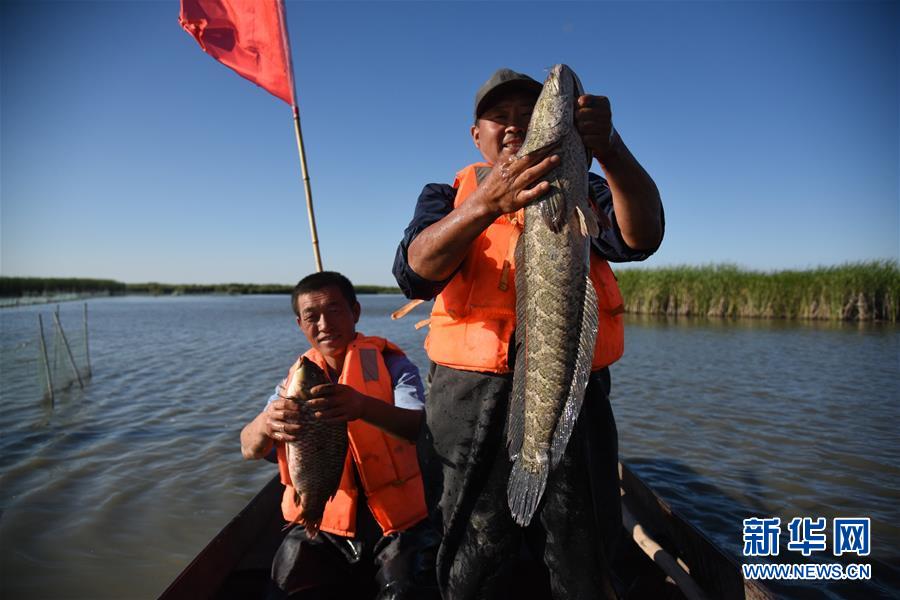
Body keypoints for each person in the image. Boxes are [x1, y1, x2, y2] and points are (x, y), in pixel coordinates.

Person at [392, 68, 664, 599]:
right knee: (470, 556)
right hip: (467, 402)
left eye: (527, 114)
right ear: (478, 135)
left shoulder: (582, 181)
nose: (514, 126)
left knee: (581, 553)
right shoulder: (447, 194)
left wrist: (610, 147)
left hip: (571, 390)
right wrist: (485, 204)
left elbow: (642, 237)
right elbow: (414, 273)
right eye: (501, 117)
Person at [240, 271, 440, 600]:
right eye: (311, 316)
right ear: (300, 324)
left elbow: (420, 429)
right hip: (322, 523)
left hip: (397, 524)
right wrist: (265, 423)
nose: (324, 324)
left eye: (334, 310)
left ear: (355, 312)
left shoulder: (393, 367)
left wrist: (363, 406)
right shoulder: (292, 385)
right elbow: (248, 447)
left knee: (408, 591)